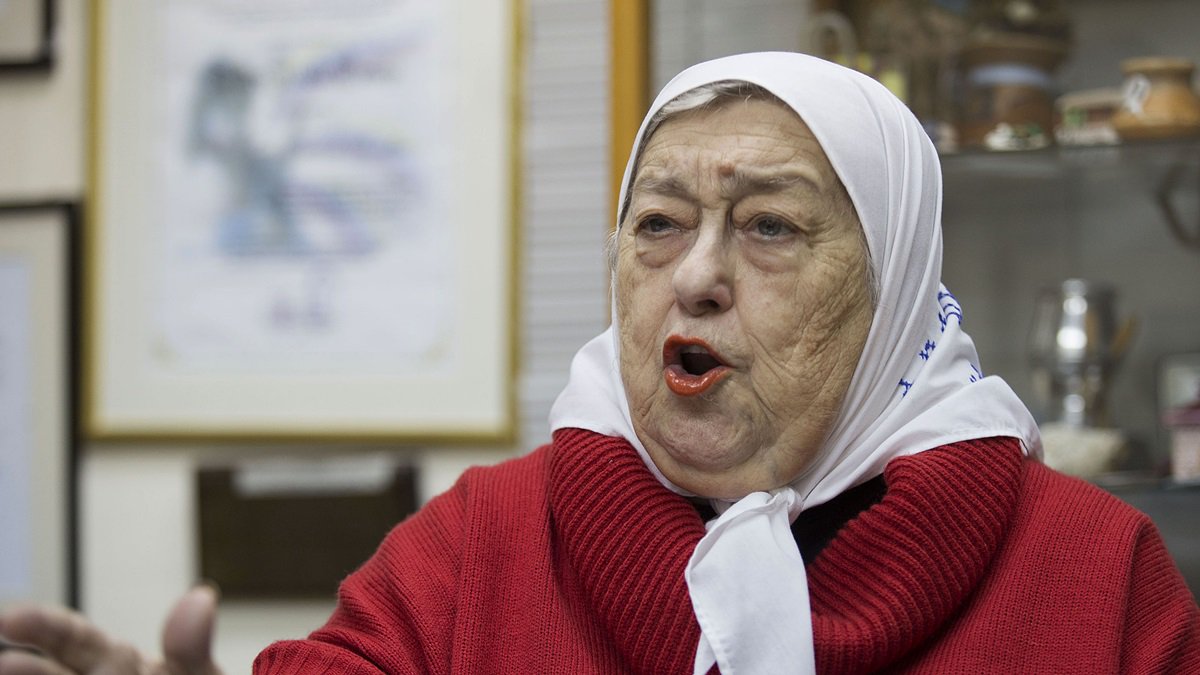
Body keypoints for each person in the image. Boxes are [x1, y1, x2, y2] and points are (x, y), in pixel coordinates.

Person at [2, 51, 1198, 674]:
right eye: (658, 223)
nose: (695, 276)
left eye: (770, 226)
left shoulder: (1094, 576)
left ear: (892, 294)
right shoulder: (483, 545)